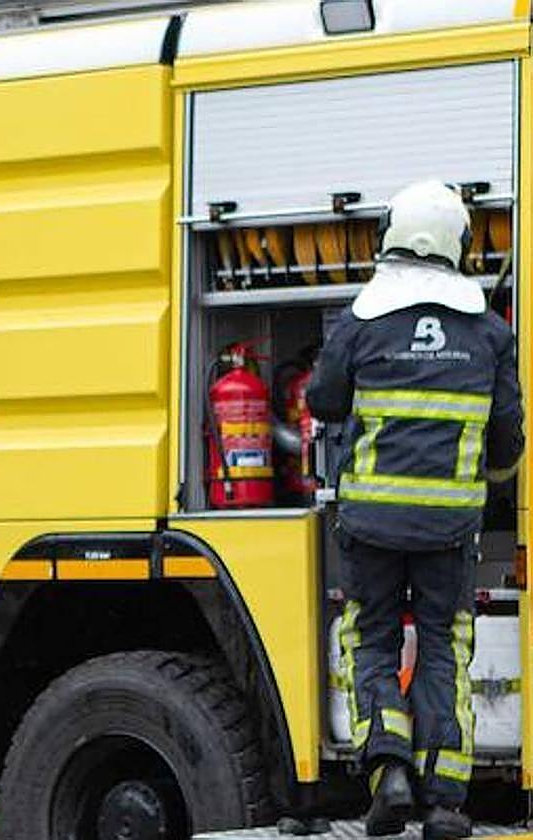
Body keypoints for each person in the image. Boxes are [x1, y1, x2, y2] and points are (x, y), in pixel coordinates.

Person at [307, 181, 524, 840]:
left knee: (371, 641)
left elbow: (322, 401)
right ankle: (446, 803)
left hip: (370, 525)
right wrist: (483, 478)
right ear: (458, 243)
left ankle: (389, 770)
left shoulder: (362, 320)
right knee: (443, 651)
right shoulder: (490, 332)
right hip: (449, 530)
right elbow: (508, 442)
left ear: (392, 237)